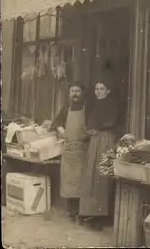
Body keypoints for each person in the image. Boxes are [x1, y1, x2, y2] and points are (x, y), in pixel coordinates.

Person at [79, 74, 118, 223]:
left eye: (102, 89)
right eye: (97, 89)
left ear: (108, 91)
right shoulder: (96, 104)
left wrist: (97, 128)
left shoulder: (111, 104)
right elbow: (90, 122)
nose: (99, 91)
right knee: (93, 174)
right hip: (96, 140)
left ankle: (102, 214)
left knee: (102, 174)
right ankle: (93, 211)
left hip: (106, 140)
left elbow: (112, 122)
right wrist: (90, 129)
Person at [52, 82, 90, 221]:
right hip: (68, 150)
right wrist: (64, 132)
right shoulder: (66, 108)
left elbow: (92, 126)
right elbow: (57, 123)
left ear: (82, 93)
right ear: (69, 94)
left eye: (78, 91)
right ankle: (71, 211)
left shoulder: (87, 108)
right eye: (72, 91)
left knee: (81, 180)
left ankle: (82, 211)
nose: (75, 93)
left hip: (82, 149)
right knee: (69, 181)